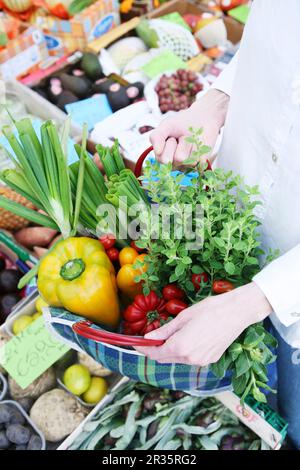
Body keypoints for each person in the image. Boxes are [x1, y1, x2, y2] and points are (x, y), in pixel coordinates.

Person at [136, 0, 300, 448]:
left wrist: (259, 299)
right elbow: (274, 46)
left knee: (296, 415)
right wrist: (215, 103)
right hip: (236, 234)